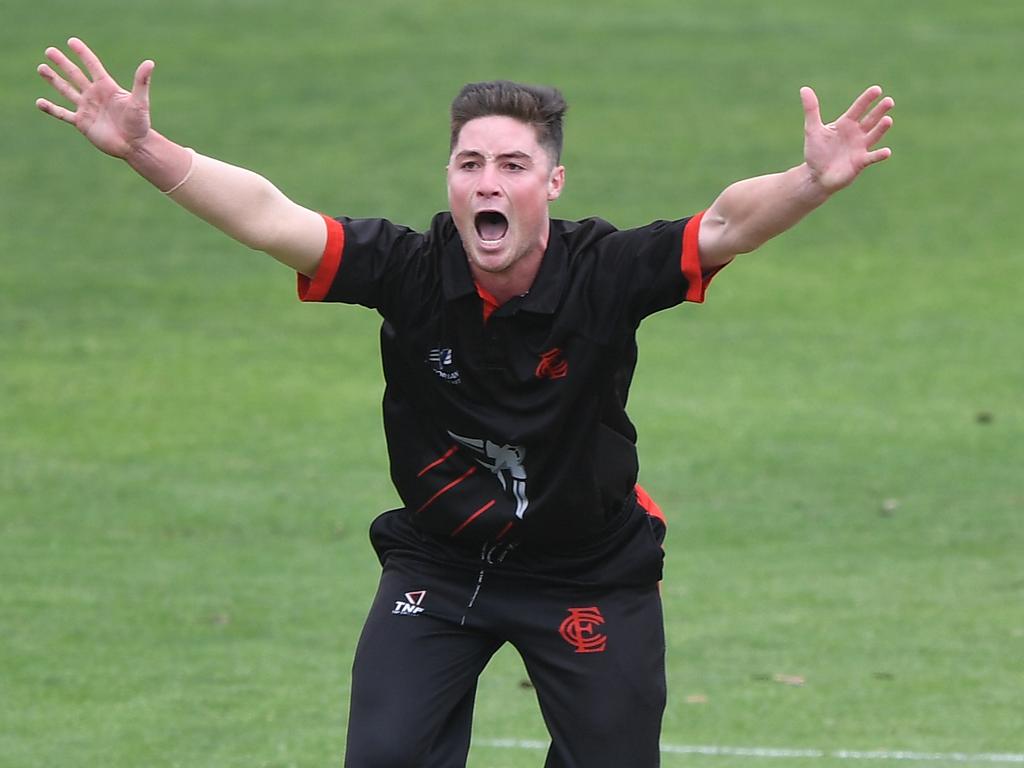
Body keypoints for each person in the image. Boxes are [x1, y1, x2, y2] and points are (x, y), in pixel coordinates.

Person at [36, 38, 894, 768]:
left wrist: (809, 183)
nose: (489, 182)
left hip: (586, 567)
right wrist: (145, 150)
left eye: (513, 165)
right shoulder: (409, 270)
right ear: (450, 178)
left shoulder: (603, 272)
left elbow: (725, 227)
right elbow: (270, 218)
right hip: (441, 565)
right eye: (470, 163)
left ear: (551, 184)